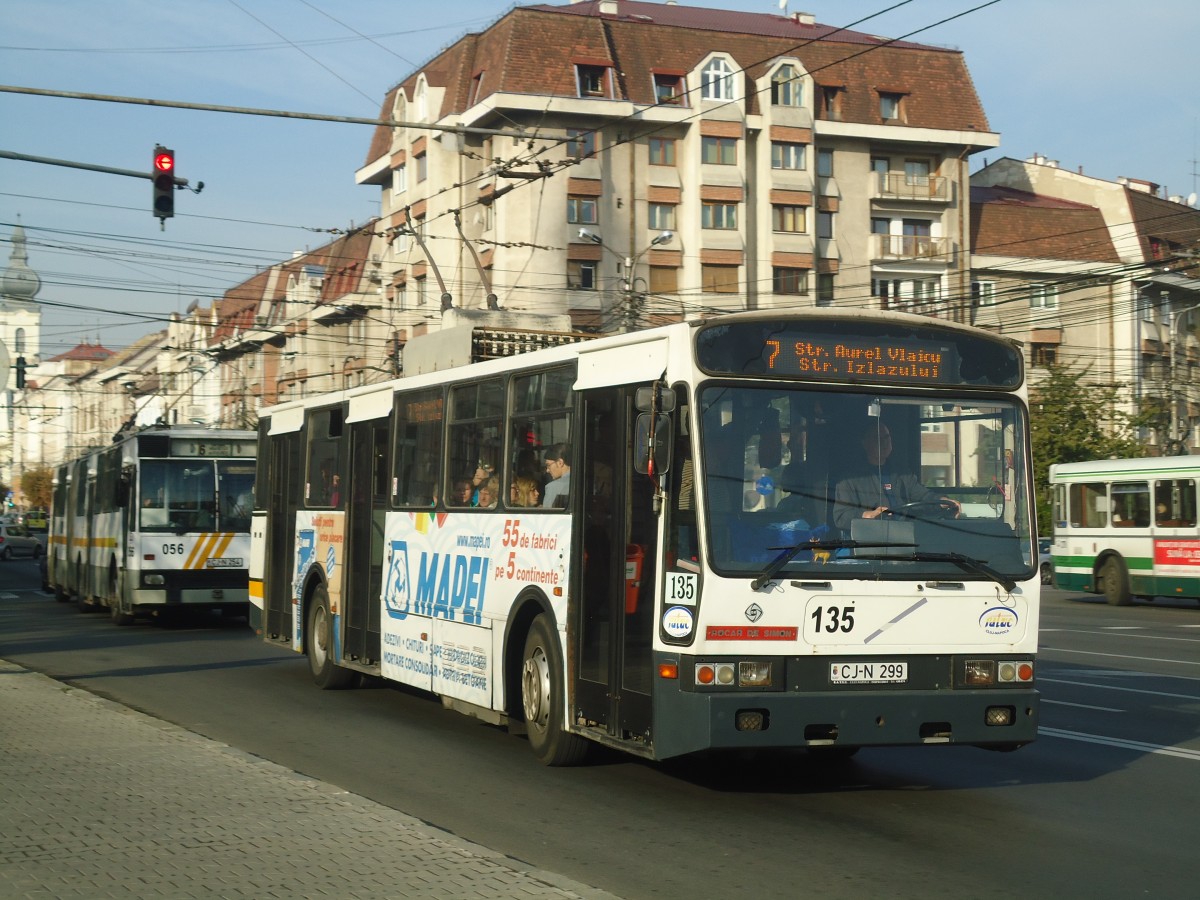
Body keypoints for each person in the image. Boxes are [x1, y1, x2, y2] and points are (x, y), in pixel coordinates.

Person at [834, 422, 958, 532]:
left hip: (906, 536)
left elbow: (923, 496)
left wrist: (943, 501)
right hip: (870, 541)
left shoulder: (902, 474)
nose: (884, 443)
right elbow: (841, 517)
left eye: (887, 438)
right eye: (877, 438)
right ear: (864, 443)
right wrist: (868, 515)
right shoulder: (849, 479)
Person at [542, 443, 571, 508]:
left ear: (560, 463)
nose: (547, 470)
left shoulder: (553, 487)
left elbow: (547, 515)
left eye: (548, 465)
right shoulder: (586, 483)